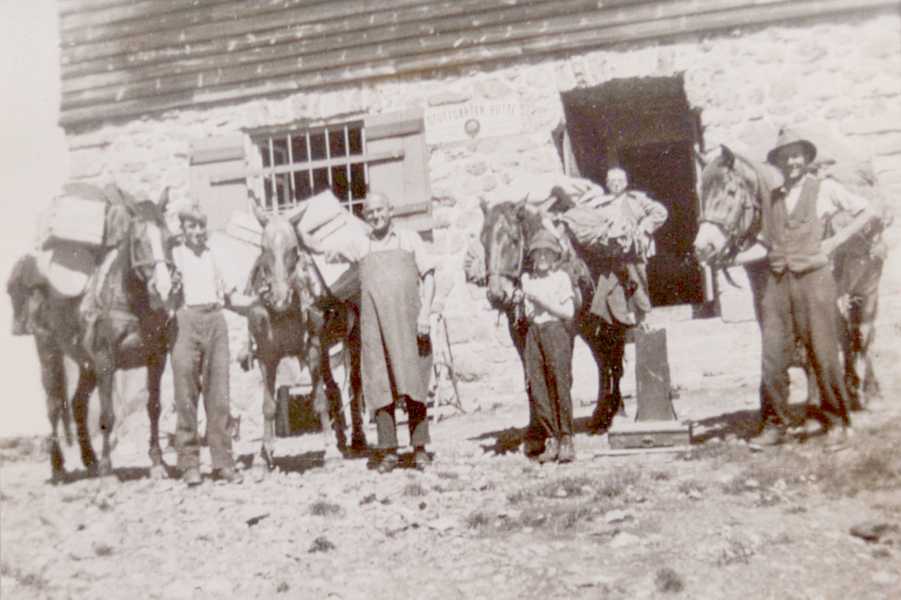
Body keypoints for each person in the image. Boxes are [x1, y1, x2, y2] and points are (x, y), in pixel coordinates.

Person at [734, 128, 876, 446]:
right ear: (778, 162)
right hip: (778, 283)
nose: (791, 162)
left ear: (806, 158)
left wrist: (835, 241)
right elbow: (763, 246)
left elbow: (867, 210)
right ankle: (775, 425)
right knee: (772, 355)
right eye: (785, 157)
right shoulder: (773, 198)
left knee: (823, 352)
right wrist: (729, 260)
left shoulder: (824, 188)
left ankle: (836, 421)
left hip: (814, 280)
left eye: (796, 155)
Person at [301, 191, 436, 473]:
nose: (375, 216)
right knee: (380, 381)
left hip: (409, 322)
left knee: (414, 379)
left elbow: (429, 276)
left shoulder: (410, 240)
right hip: (375, 327)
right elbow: (325, 251)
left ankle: (419, 447)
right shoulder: (360, 245)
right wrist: (299, 236)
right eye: (369, 213)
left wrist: (425, 314)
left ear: (391, 211)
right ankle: (388, 450)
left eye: (379, 210)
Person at [170, 200, 253, 486]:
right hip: (185, 320)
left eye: (201, 225)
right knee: (185, 393)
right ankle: (189, 464)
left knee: (219, 395)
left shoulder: (214, 254)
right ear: (182, 229)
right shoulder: (174, 256)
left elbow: (233, 297)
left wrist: (258, 304)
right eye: (191, 226)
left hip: (215, 320)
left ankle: (223, 463)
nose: (198, 231)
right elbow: (163, 297)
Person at [513, 229, 576, 463]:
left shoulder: (560, 279)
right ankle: (551, 439)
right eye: (537, 254)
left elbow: (568, 313)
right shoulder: (528, 281)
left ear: (554, 256)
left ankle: (566, 438)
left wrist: (540, 300)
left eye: (546, 254)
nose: (541, 259)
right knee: (538, 385)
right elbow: (527, 313)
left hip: (555, 331)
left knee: (560, 382)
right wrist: (522, 301)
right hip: (534, 333)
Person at [589, 167, 668, 329]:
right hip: (610, 253)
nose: (616, 184)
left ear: (625, 183)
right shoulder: (599, 204)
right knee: (610, 289)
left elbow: (660, 213)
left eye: (619, 181)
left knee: (637, 285)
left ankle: (644, 321)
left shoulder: (637, 200)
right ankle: (619, 328)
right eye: (612, 181)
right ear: (607, 184)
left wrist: (644, 229)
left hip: (632, 253)